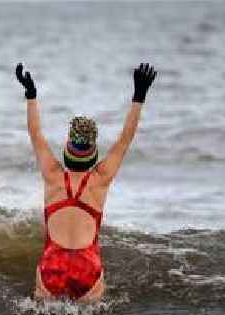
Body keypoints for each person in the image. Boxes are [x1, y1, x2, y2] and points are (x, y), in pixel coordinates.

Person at [15, 63, 157, 302]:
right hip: (87, 268)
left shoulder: (52, 174)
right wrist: (139, 95)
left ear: (67, 150)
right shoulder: (100, 179)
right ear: (93, 153)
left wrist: (31, 95)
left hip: (53, 265)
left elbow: (35, 133)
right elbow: (125, 139)